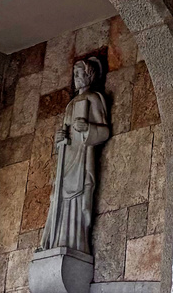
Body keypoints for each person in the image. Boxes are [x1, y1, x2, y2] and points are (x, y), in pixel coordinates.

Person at [40, 56, 110, 253]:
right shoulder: (70, 105)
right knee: (58, 196)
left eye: (80, 73)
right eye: (74, 74)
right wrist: (60, 138)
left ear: (90, 75)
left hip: (81, 159)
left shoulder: (94, 99)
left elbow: (104, 131)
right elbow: (65, 134)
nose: (76, 78)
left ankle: (75, 243)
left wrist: (87, 127)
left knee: (78, 196)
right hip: (67, 159)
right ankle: (56, 241)